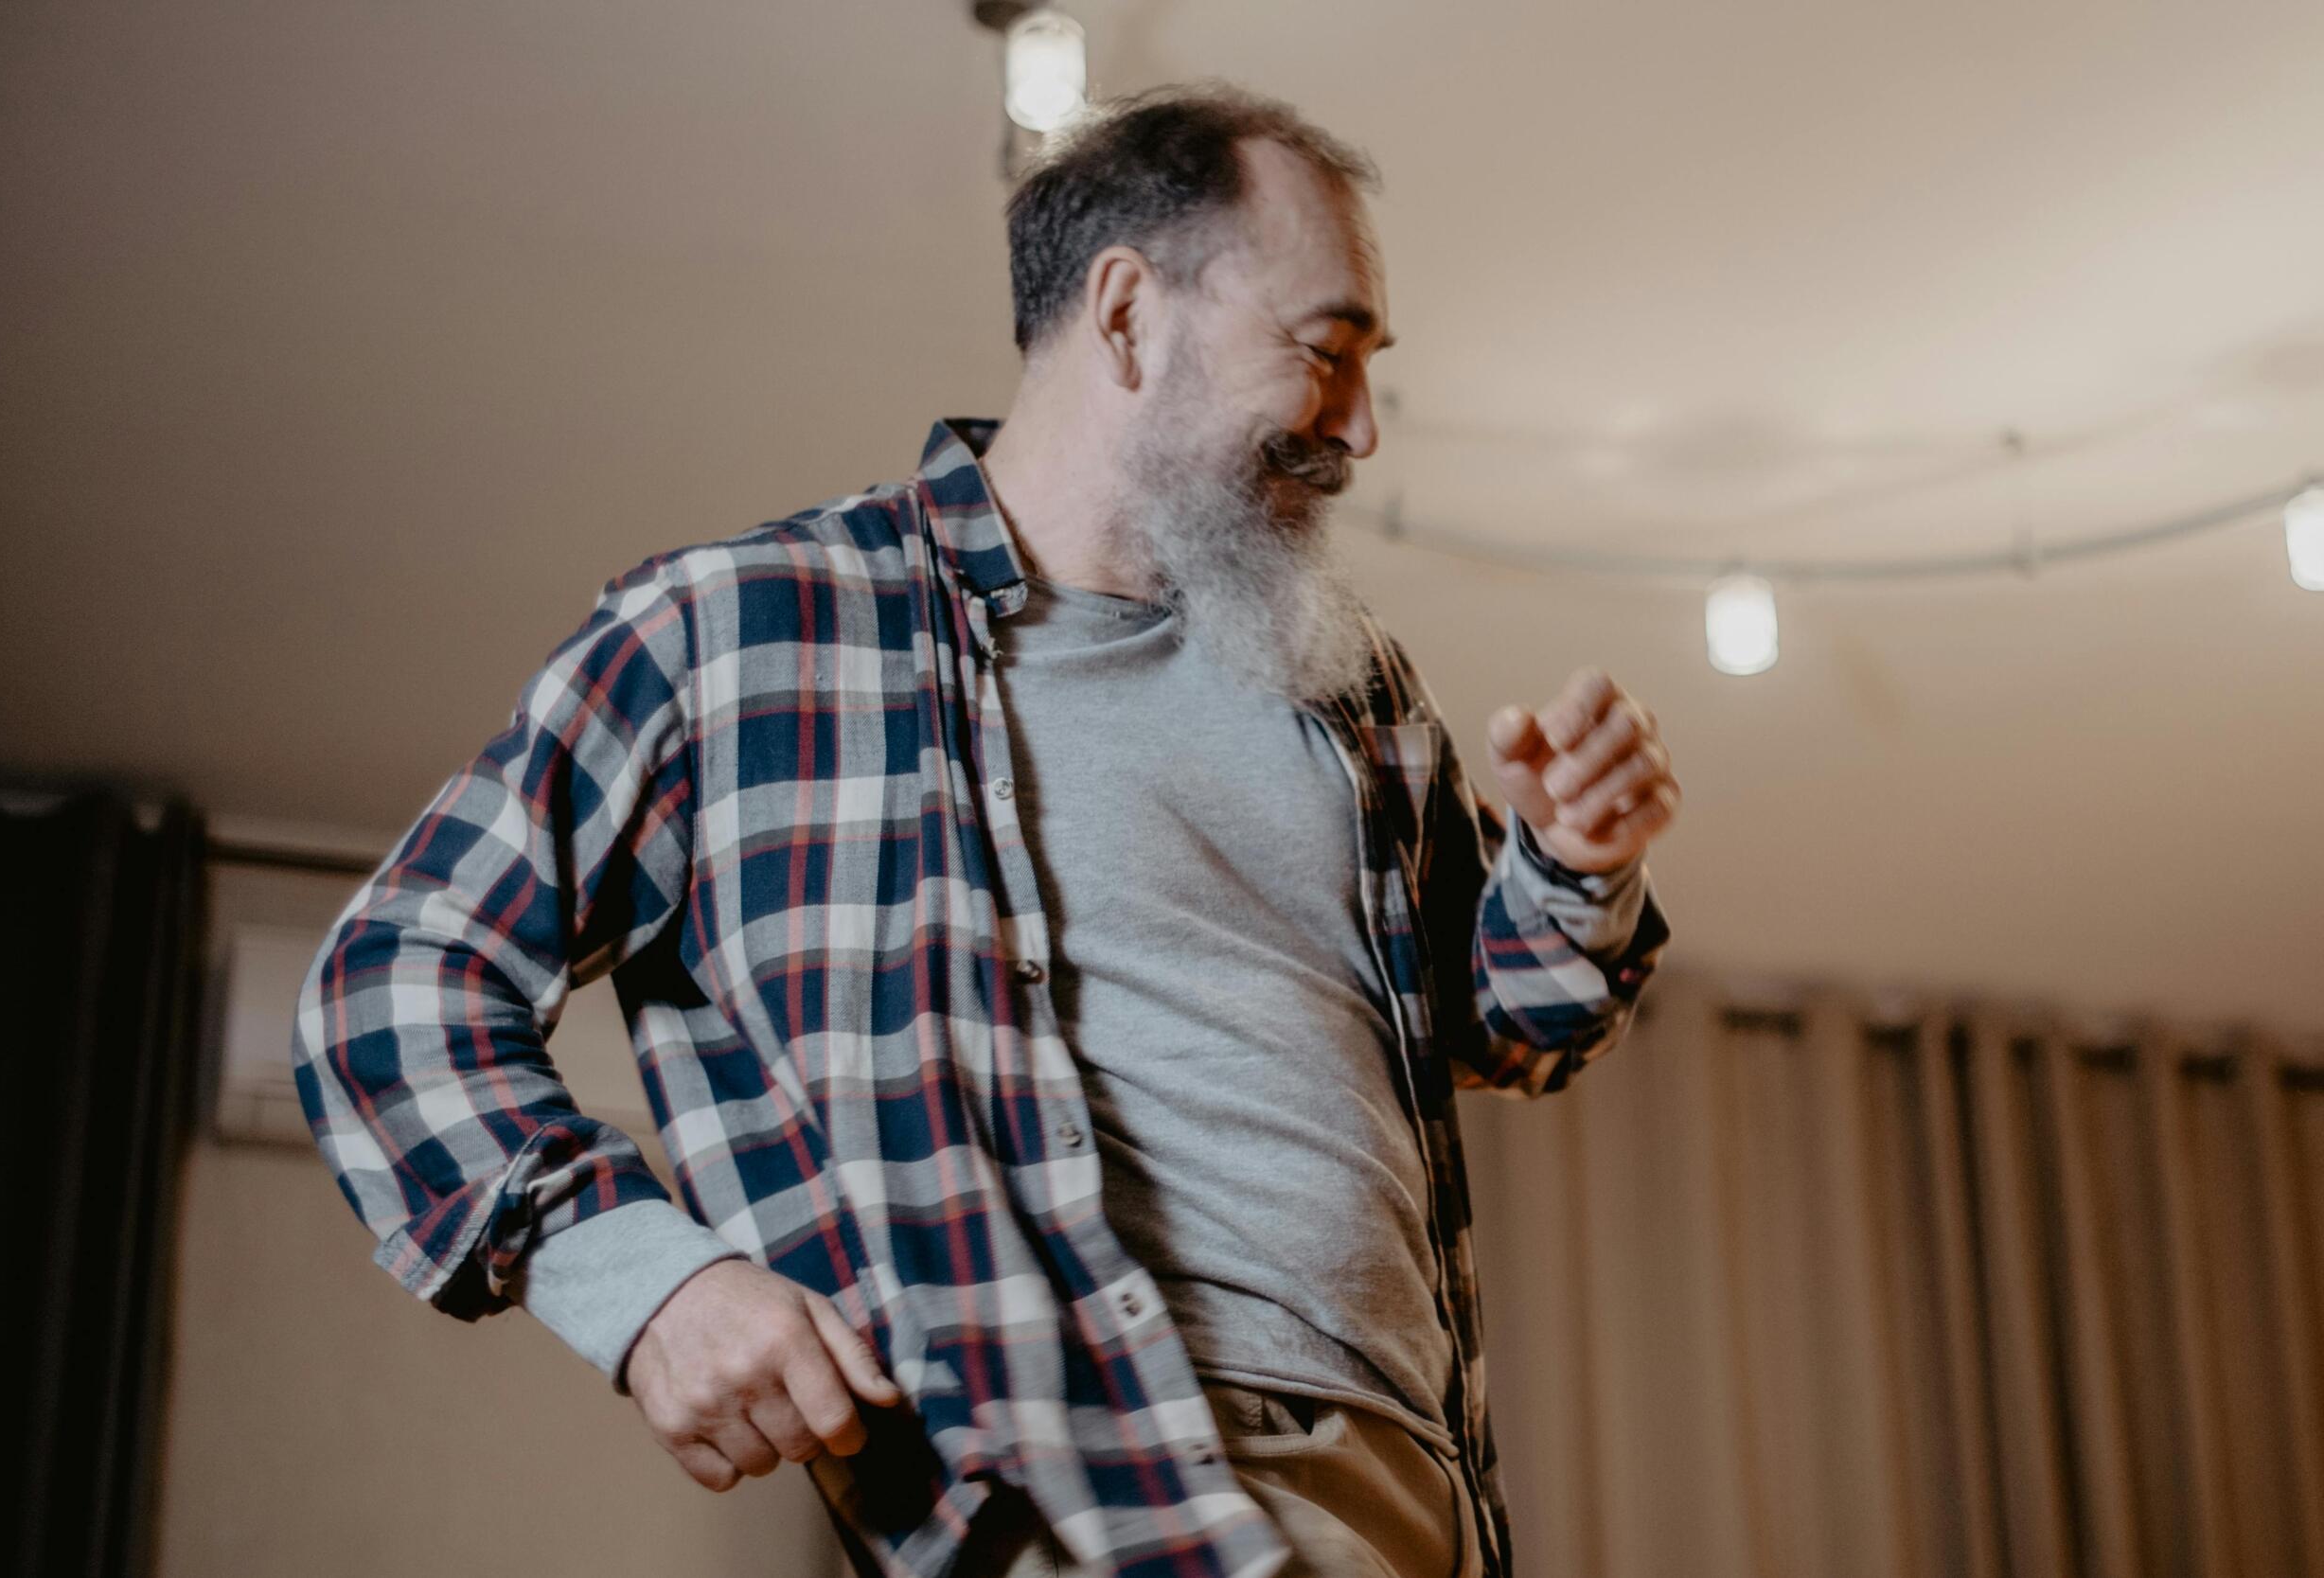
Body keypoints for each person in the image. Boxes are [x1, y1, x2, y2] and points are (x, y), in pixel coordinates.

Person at [292, 82, 1678, 1578]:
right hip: (1114, 1476)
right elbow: (393, 985)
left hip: (1422, 1484)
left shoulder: (1343, 685)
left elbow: (1504, 1026)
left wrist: (1574, 866)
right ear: (1131, 315)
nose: (1360, 427)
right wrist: (648, 1285)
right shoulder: (744, 631)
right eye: (1328, 353)